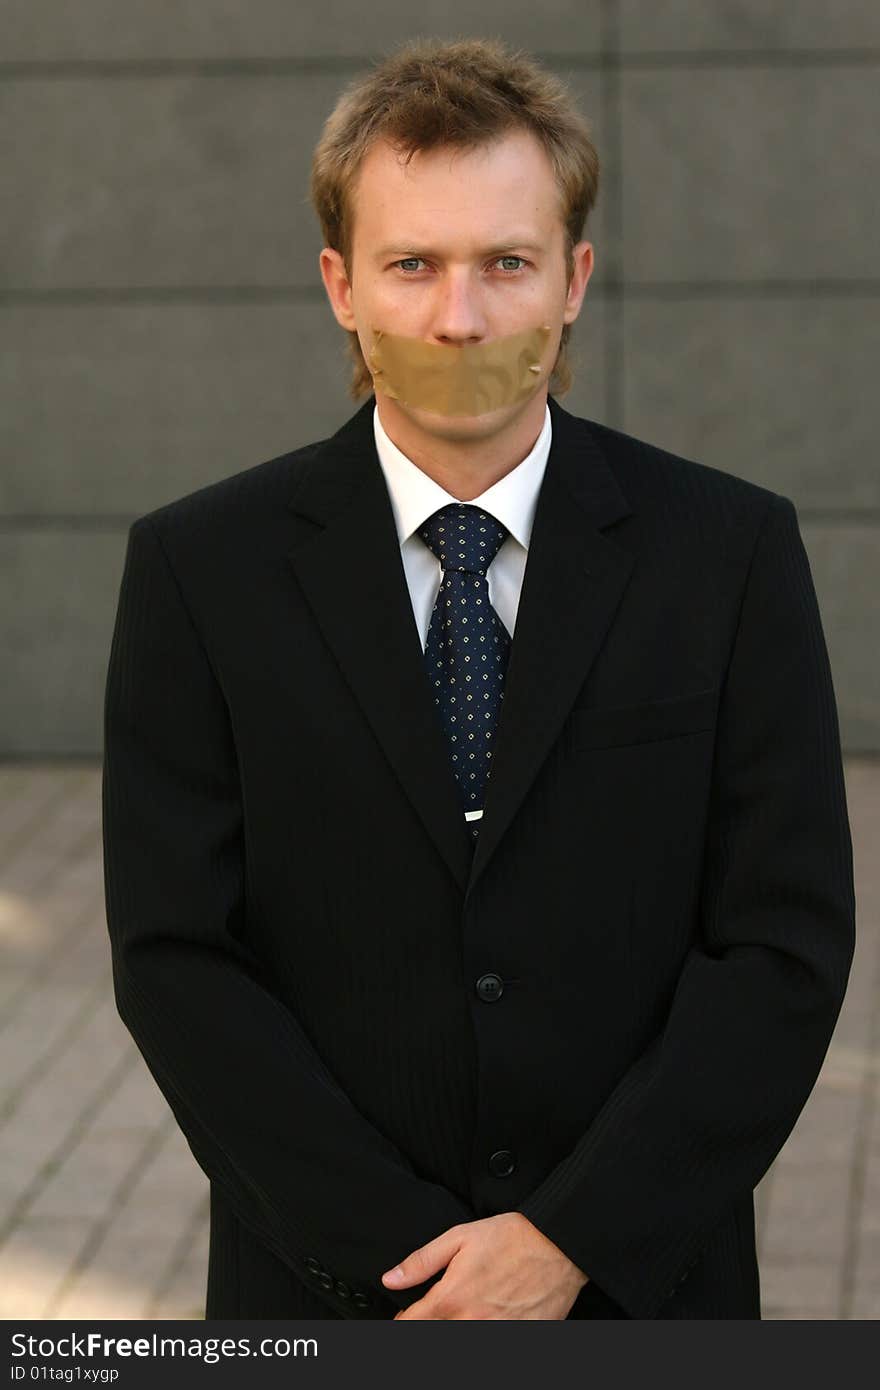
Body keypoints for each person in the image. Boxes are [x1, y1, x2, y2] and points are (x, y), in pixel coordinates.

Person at [101, 36, 856, 1321]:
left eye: (506, 262)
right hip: (327, 1290)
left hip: (638, 1286)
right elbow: (177, 957)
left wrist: (570, 1239)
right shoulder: (199, 570)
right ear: (341, 285)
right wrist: (404, 1255)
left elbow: (780, 943)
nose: (460, 317)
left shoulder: (727, 554)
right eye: (413, 265)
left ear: (575, 279)